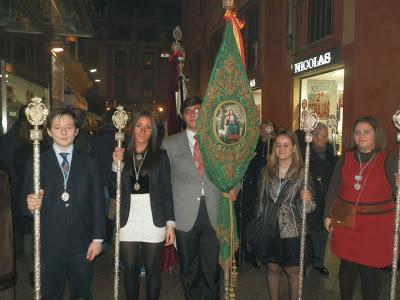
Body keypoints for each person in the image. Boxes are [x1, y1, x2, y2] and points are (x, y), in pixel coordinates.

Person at [21, 107, 105, 299]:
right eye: (58, 127)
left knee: (82, 294)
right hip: (48, 245)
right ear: (49, 131)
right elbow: (23, 206)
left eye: (69, 127)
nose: (64, 132)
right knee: (50, 294)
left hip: (82, 244)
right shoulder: (36, 161)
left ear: (76, 131)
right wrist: (31, 205)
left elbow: (98, 202)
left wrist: (98, 238)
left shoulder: (89, 162)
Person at [161, 97, 238, 299]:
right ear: (182, 115)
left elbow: (234, 172)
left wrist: (235, 188)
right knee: (189, 270)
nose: (193, 114)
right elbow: (162, 182)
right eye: (188, 111)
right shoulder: (169, 143)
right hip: (184, 215)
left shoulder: (220, 141)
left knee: (212, 269)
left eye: (198, 110)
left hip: (214, 213)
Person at [324, 116, 400, 300]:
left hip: (376, 224)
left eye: (367, 132)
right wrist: (327, 214)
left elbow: (397, 194)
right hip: (344, 215)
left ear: (376, 135)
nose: (361, 136)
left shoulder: (387, 158)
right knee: (347, 266)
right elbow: (334, 186)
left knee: (370, 270)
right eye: (357, 132)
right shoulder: (346, 157)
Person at [112, 111, 175, 300]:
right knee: (130, 268)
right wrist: (116, 165)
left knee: (152, 269)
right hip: (127, 217)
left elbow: (166, 190)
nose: (143, 130)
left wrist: (170, 223)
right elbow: (113, 186)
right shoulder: (122, 153)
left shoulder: (161, 156)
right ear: (132, 128)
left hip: (153, 217)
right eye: (139, 125)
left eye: (148, 127)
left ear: (153, 131)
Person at [247, 129, 315, 300]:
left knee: (292, 270)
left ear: (293, 148)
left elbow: (311, 208)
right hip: (269, 227)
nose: (281, 149)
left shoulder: (302, 173)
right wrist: (259, 225)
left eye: (286, 145)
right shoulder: (266, 170)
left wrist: (306, 199)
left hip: (292, 228)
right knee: (272, 267)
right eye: (278, 145)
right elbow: (260, 200)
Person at [307, 123, 337, 275]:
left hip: (328, 196)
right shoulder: (306, 153)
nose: (325, 139)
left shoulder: (331, 153)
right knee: (313, 230)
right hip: (313, 196)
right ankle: (311, 259)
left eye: (326, 135)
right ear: (313, 137)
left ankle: (319, 261)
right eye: (322, 136)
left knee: (324, 230)